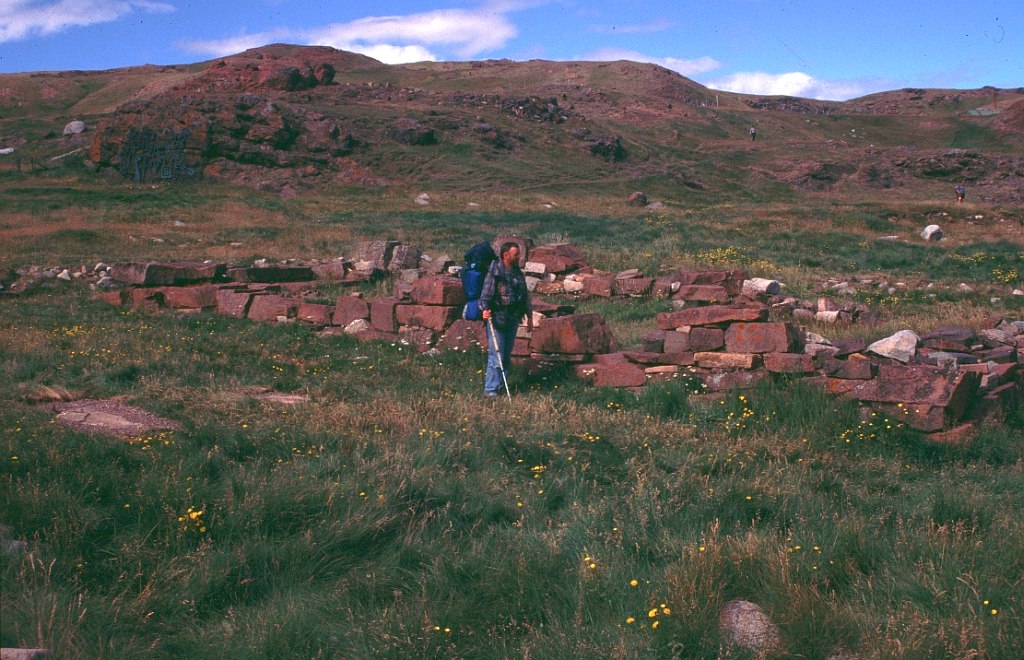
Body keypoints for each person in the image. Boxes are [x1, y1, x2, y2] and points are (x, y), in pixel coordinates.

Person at [479, 241, 533, 397]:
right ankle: (490, 391)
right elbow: (485, 296)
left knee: (506, 356)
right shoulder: (494, 272)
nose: (519, 257)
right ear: (506, 255)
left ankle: (501, 386)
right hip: (497, 319)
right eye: (516, 254)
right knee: (496, 356)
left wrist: (529, 317)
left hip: (513, 318)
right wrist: (484, 310)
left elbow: (525, 297)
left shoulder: (518, 273)